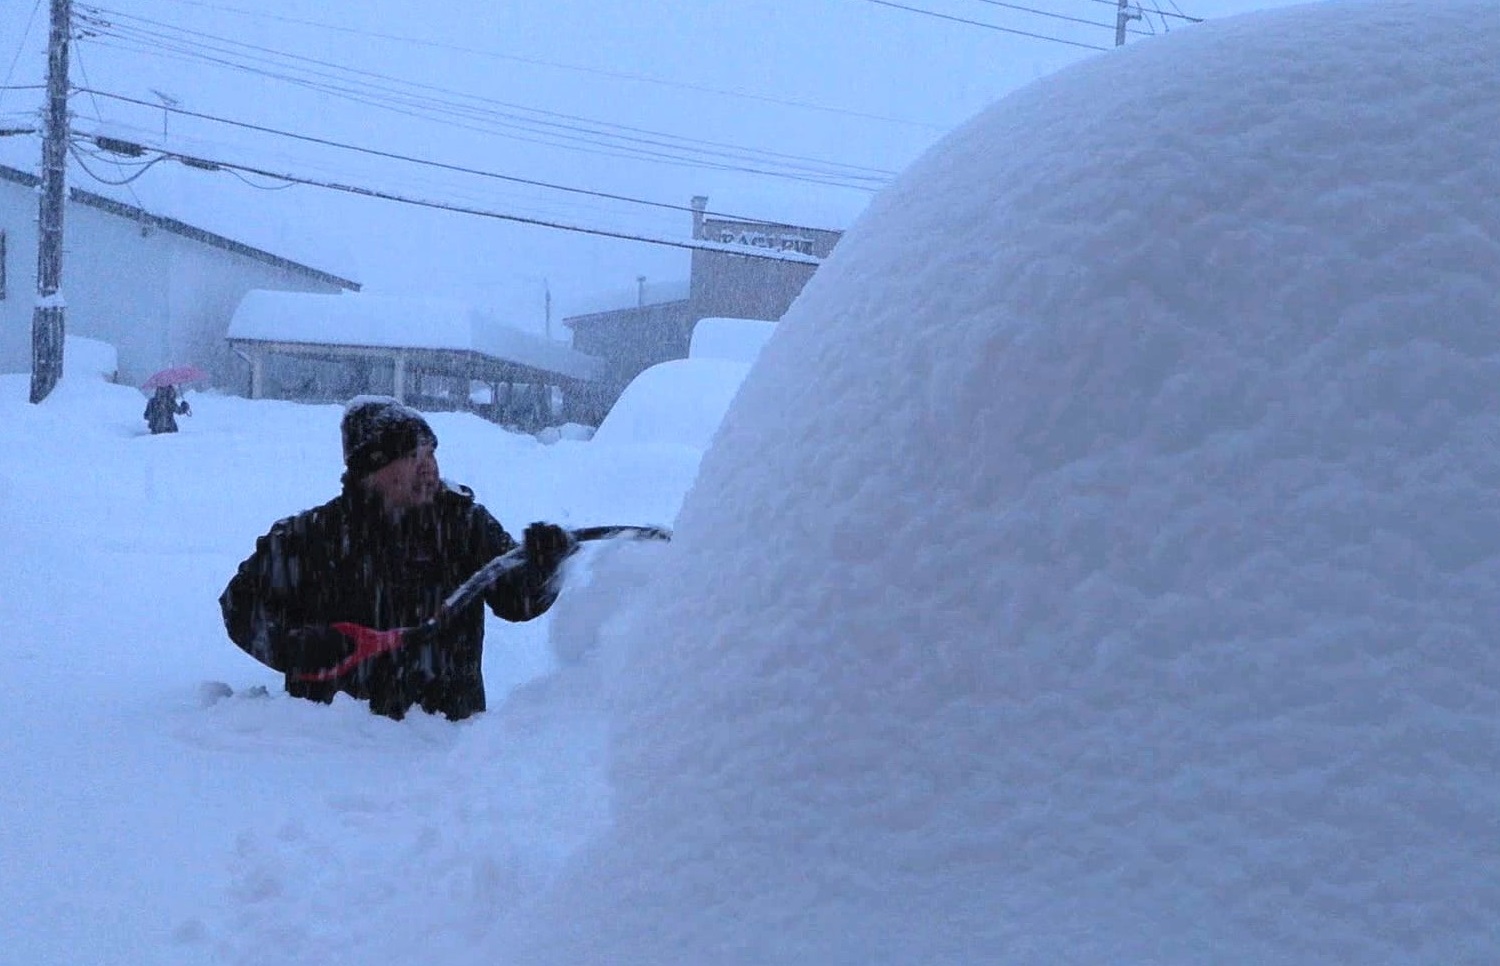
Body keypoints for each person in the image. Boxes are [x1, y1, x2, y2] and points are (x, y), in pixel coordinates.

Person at [219, 396, 575, 721]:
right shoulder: (311, 537)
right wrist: (293, 647)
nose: (429, 468)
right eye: (411, 457)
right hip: (332, 754)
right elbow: (240, 606)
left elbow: (517, 600)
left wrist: (544, 566)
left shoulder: (464, 526)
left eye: (431, 454)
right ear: (369, 471)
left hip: (444, 752)